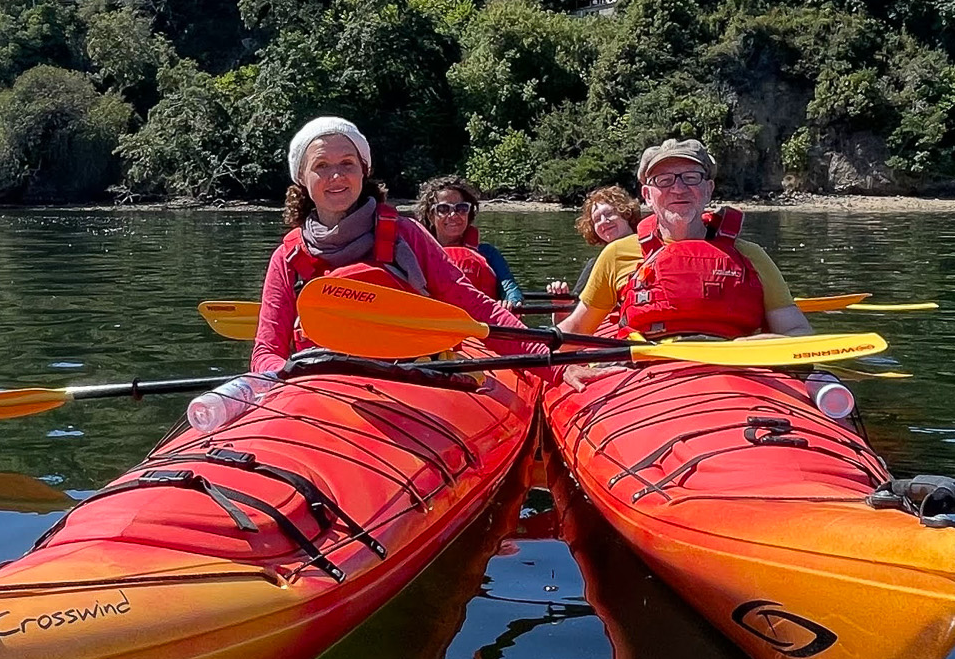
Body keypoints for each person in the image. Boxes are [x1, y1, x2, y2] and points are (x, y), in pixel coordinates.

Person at [188, 119, 533, 430]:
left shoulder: (406, 235)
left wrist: (549, 363)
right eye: (321, 166)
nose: (336, 176)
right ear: (303, 180)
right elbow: (267, 351)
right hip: (321, 392)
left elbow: (475, 307)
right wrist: (288, 389)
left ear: (363, 171)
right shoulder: (289, 257)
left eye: (347, 164)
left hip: (414, 379)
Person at [559, 139, 815, 341]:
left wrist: (765, 343)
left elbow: (796, 330)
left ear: (708, 189)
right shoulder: (617, 255)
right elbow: (577, 327)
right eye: (664, 180)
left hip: (737, 373)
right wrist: (566, 368)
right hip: (645, 378)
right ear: (647, 195)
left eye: (691, 177)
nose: (678, 189)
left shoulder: (751, 256)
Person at [416, 176, 524, 305]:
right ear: (430, 215)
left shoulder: (488, 253)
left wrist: (512, 301)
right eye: (443, 209)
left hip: (482, 321)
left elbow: (510, 289)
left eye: (461, 208)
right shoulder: (418, 253)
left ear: (469, 213)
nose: (453, 215)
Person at [548, 186, 640, 301]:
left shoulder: (653, 249)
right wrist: (560, 305)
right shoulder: (595, 265)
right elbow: (573, 312)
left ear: (626, 213)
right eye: (597, 219)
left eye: (609, 213)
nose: (604, 221)